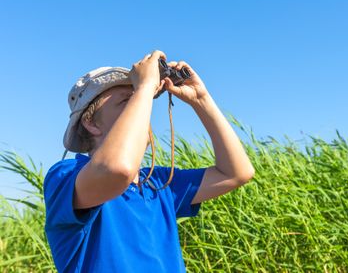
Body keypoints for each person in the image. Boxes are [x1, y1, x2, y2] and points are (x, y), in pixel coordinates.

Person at [43, 50, 255, 272]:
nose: (141, 109)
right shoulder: (65, 176)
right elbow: (117, 170)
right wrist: (144, 88)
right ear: (91, 124)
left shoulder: (159, 184)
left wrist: (201, 99)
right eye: (128, 100)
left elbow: (236, 172)